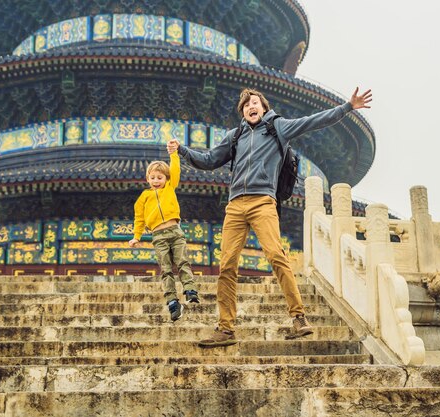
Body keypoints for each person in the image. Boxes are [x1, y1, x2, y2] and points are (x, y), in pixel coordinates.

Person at [167, 87, 372, 347]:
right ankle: (226, 328)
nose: (250, 107)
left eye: (254, 103)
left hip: (263, 202)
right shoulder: (236, 135)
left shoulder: (278, 127)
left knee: (276, 255)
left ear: (263, 107)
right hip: (234, 206)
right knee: (227, 265)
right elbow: (209, 160)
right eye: (245, 106)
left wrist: (347, 107)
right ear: (242, 112)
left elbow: (313, 122)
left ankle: (299, 318)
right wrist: (182, 150)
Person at [129, 149, 200, 322]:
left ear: (166, 179)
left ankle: (190, 289)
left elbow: (175, 169)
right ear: (148, 179)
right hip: (158, 235)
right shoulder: (144, 197)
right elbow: (139, 218)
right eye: (152, 177)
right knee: (166, 269)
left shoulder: (170, 188)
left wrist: (174, 154)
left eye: (160, 178)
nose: (156, 181)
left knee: (182, 261)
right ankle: (172, 301)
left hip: (175, 231)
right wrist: (137, 236)